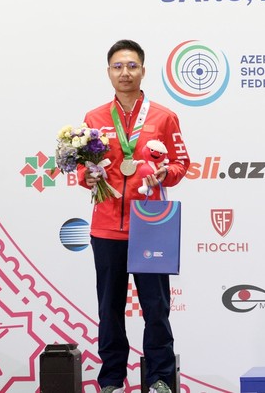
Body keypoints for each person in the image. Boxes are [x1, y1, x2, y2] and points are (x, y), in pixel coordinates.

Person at [79, 39, 190, 393]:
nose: (124, 72)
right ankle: (111, 380)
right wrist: (86, 177)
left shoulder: (164, 116)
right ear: (108, 72)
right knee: (109, 309)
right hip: (106, 227)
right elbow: (83, 168)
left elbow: (181, 163)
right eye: (118, 66)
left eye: (131, 66)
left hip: (151, 225)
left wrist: (165, 173)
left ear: (143, 70)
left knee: (156, 308)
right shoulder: (94, 118)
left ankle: (160, 379)